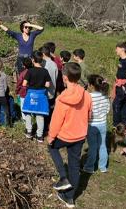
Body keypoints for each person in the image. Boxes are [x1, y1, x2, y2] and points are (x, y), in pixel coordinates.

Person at [47, 62, 92, 208]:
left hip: (65, 135)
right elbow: (89, 116)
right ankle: (70, 198)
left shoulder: (62, 99)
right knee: (74, 165)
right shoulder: (87, 95)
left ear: (64, 78)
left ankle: (63, 177)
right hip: (80, 135)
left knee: (52, 147)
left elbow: (56, 121)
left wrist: (51, 137)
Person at [83, 74, 110, 174]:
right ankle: (103, 167)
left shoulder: (88, 96)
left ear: (90, 85)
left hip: (92, 125)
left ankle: (89, 167)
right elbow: (107, 110)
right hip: (103, 124)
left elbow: (85, 111)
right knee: (102, 145)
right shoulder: (105, 95)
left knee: (93, 147)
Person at [22, 51, 51, 142]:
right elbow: (47, 85)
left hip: (31, 94)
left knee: (28, 113)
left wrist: (30, 86)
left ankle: (29, 132)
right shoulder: (45, 71)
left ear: (33, 60)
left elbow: (24, 83)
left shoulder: (30, 71)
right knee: (40, 115)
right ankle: (39, 136)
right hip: (41, 95)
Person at [111, 42, 126, 126]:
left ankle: (116, 124)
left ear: (122, 49)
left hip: (123, 86)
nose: (115, 50)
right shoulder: (120, 60)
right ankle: (124, 123)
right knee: (123, 104)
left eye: (117, 48)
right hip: (118, 84)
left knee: (116, 104)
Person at [15, 57, 33, 122]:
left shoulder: (22, 73)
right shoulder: (34, 71)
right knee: (32, 104)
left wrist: (17, 91)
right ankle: (32, 116)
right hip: (32, 91)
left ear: (24, 65)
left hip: (24, 92)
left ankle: (24, 119)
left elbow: (19, 83)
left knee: (23, 106)